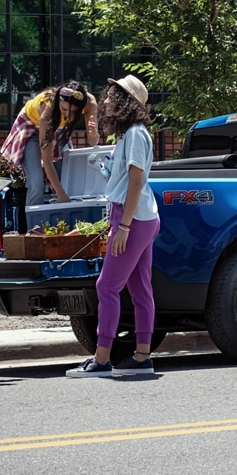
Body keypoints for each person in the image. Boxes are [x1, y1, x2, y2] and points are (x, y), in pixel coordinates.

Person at [66, 74, 159, 378]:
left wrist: (124, 226)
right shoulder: (132, 134)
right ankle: (142, 357)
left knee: (106, 286)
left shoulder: (134, 134)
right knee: (139, 289)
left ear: (124, 102)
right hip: (142, 217)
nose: (105, 100)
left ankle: (102, 358)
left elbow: (134, 182)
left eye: (110, 96)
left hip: (132, 218)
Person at [0, 81, 100, 213]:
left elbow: (93, 142)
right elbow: (47, 160)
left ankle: (64, 220)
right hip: (31, 127)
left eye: (74, 112)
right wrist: (61, 194)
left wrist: (94, 134)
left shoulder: (90, 103)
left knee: (66, 178)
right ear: (58, 102)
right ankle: (34, 226)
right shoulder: (48, 111)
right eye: (63, 109)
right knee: (36, 182)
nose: (67, 115)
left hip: (57, 129)